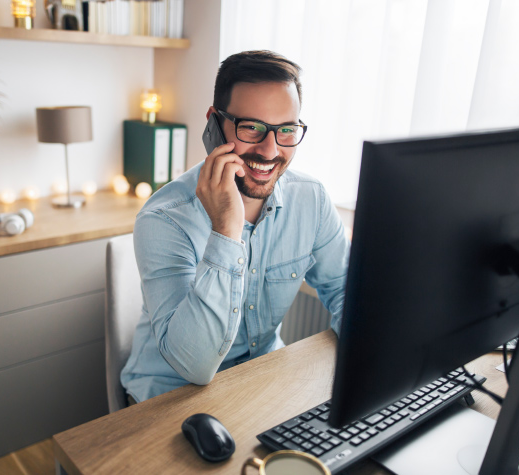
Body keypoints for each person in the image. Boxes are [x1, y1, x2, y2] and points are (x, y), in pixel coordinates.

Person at [120, 50, 350, 404]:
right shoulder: (164, 217)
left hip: (261, 379)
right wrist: (226, 229)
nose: (270, 150)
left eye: (286, 130)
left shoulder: (312, 200)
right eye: (252, 127)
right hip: (169, 395)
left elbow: (345, 289)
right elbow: (194, 367)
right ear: (214, 123)